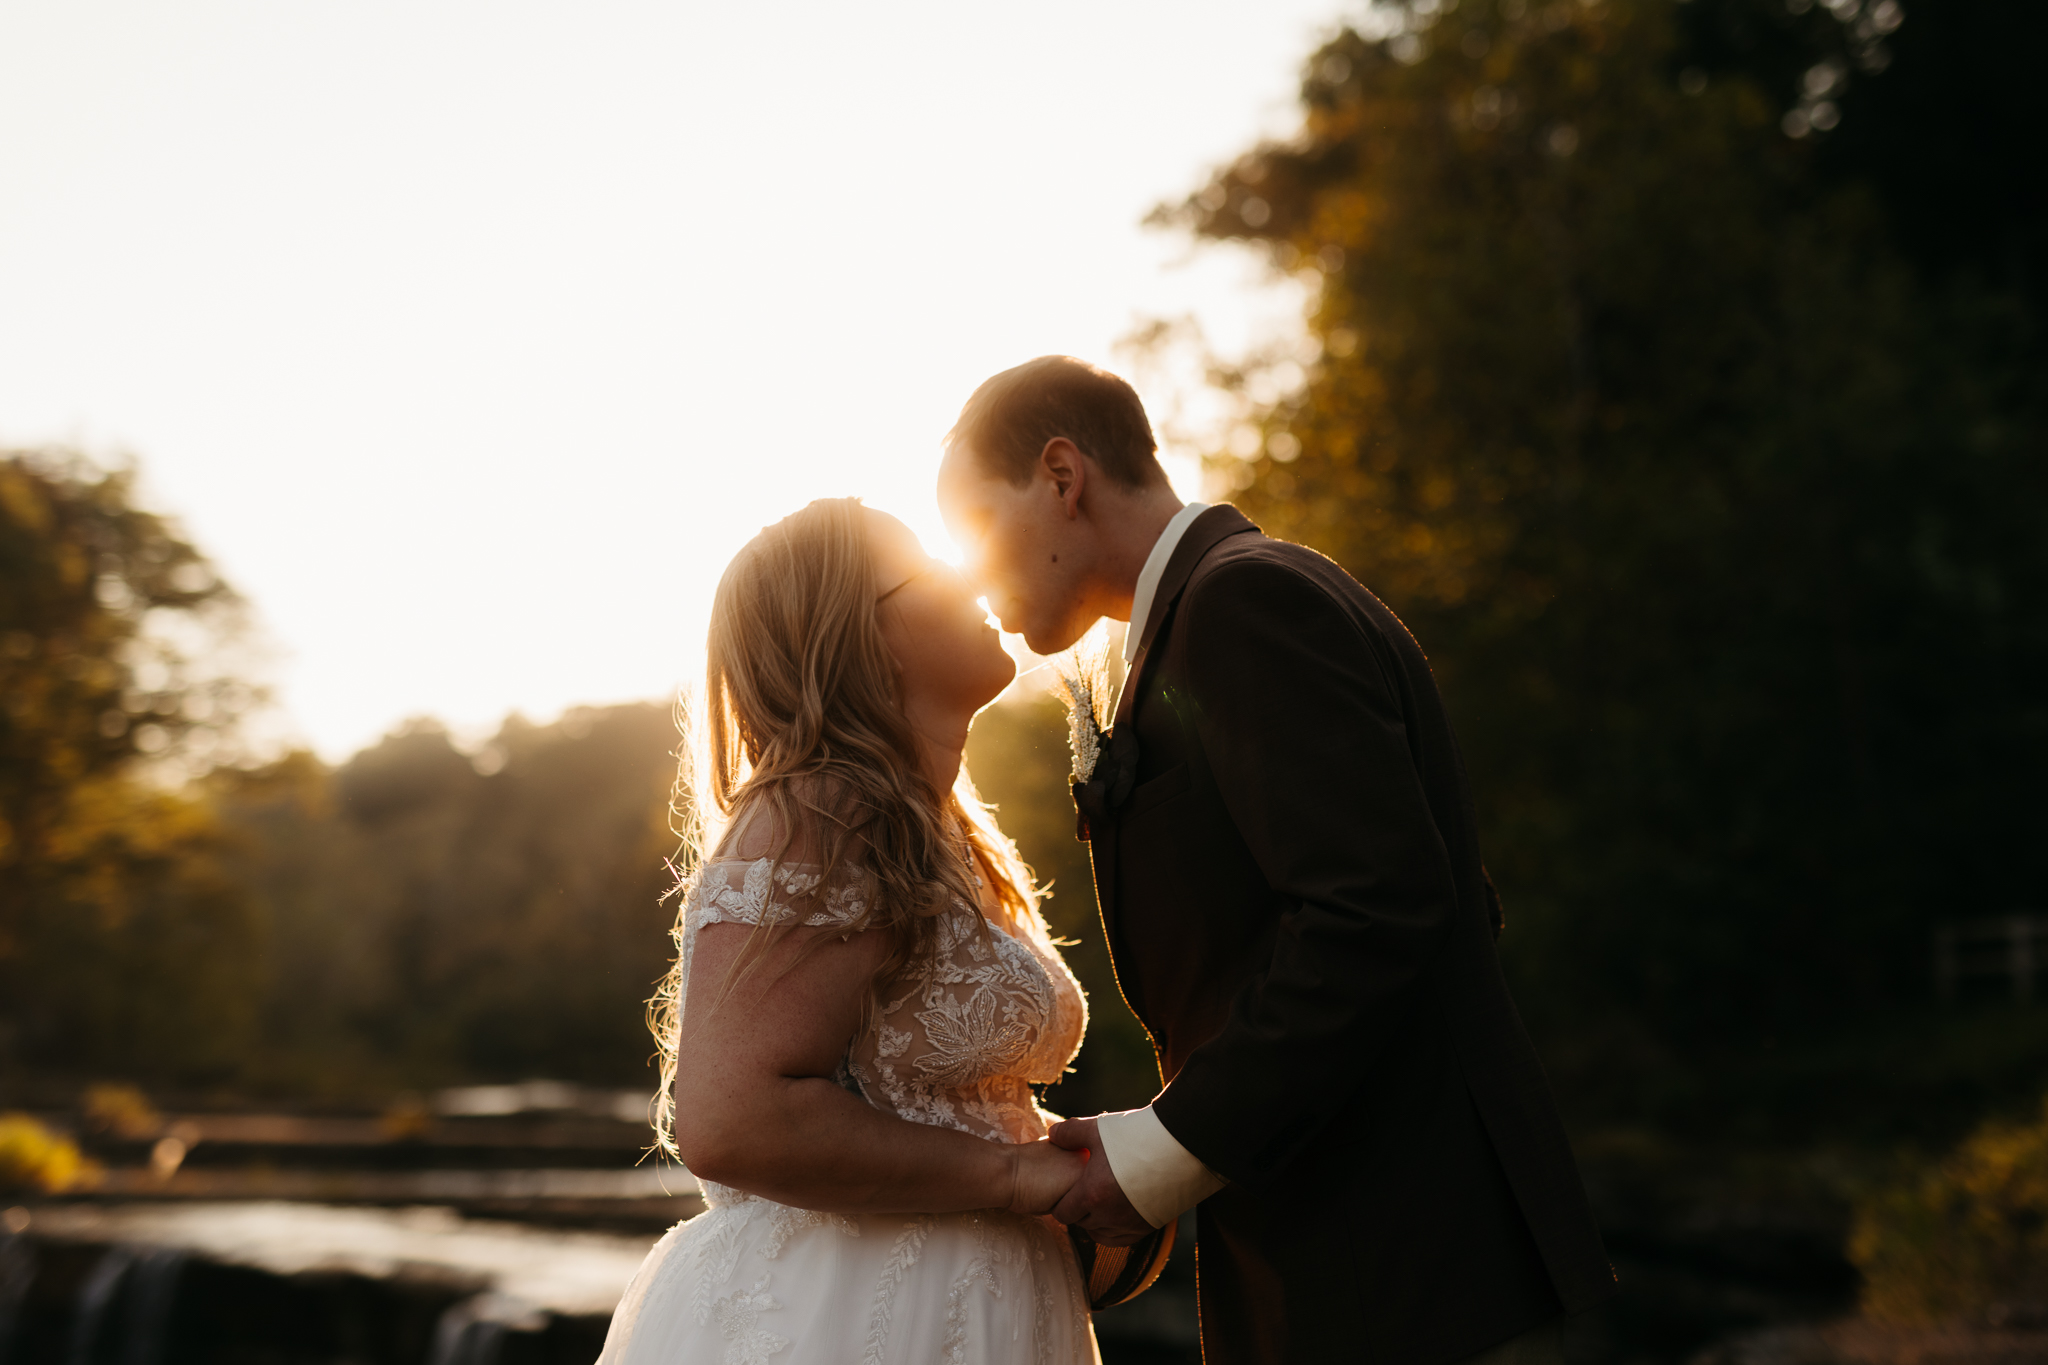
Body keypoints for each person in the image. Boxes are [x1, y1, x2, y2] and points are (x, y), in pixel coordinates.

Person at [937, 356, 1617, 1365]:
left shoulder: (1244, 605)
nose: (970, 576)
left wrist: (1168, 1150)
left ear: (1060, 474)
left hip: (1417, 1269)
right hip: (1353, 1255)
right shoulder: (1207, 615)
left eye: (973, 529)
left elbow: (1376, 909)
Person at [597, 497, 1100, 1365]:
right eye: (928, 566)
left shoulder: (941, 826)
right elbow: (731, 1122)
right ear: (863, 635)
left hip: (983, 1302)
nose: (971, 576)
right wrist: (1014, 1175)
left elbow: (918, 1089)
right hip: (847, 1318)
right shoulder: (826, 808)